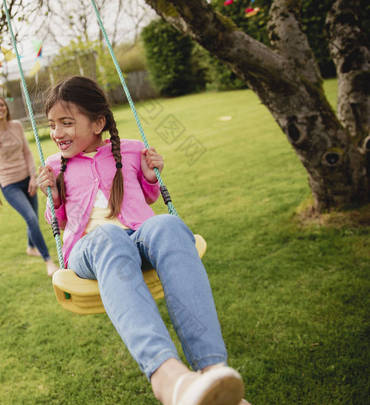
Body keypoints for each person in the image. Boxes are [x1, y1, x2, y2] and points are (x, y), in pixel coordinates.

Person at [37, 77, 248, 405]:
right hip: (90, 250)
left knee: (168, 224)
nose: (57, 133)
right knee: (107, 234)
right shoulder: (55, 165)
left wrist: (151, 177)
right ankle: (166, 376)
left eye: (66, 123)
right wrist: (51, 195)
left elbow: (146, 197)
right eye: (52, 125)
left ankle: (212, 375)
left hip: (138, 236)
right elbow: (58, 221)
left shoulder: (130, 150)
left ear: (98, 122)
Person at [0, 95, 59, 277]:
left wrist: (33, 177)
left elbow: (27, 152)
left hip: (28, 179)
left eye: (1, 105)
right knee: (31, 218)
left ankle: (31, 247)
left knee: (32, 219)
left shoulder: (16, 126)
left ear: (6, 107)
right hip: (9, 185)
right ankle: (48, 260)